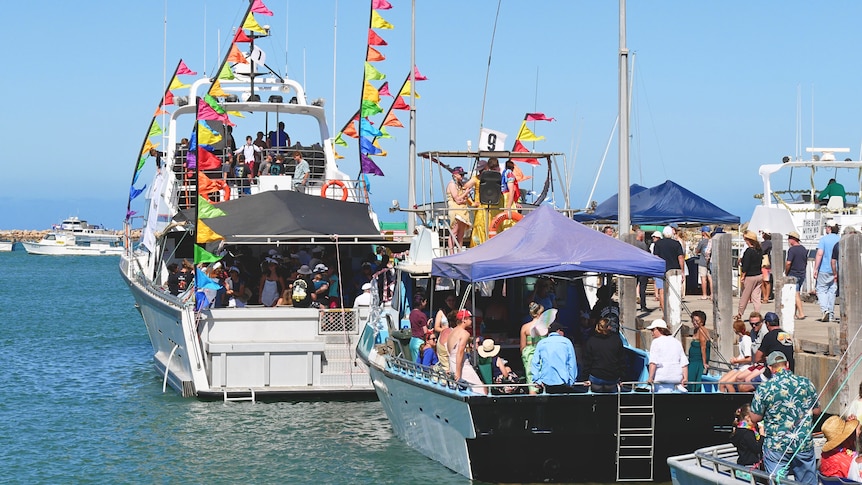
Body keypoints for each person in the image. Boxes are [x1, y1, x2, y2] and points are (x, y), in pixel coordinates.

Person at [749, 351, 820, 483]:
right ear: (787, 364)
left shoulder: (764, 388)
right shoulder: (806, 383)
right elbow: (817, 411)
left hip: (776, 446)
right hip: (802, 442)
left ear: (770, 368)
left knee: (778, 481)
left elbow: (754, 418)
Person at [530, 322, 578, 394]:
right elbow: (572, 363)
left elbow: (534, 363)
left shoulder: (541, 343)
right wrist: (571, 380)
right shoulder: (567, 342)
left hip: (545, 382)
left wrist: (537, 380)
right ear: (558, 331)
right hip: (563, 381)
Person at [447, 309, 486, 394]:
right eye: (469, 319)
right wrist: (458, 372)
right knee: (479, 388)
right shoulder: (465, 334)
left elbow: (451, 350)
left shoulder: (452, 331)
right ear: (464, 320)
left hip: (453, 361)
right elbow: (460, 352)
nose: (471, 321)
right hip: (461, 364)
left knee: (464, 389)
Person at [582, 318, 625, 393]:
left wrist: (585, 378)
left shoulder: (591, 341)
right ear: (609, 327)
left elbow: (587, 361)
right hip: (612, 376)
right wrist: (623, 378)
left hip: (596, 376)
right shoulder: (616, 340)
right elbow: (621, 360)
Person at [646, 319, 688, 393]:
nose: (651, 332)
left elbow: (653, 362)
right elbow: (683, 362)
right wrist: (685, 377)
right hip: (676, 380)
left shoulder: (656, 342)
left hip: (662, 380)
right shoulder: (676, 342)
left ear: (661, 330)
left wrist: (650, 378)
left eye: (653, 330)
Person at [652, 226, 684, 312]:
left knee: (662, 292)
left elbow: (656, 257)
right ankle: (674, 310)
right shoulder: (676, 243)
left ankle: (664, 311)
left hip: (661, 269)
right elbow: (680, 257)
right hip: (674, 270)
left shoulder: (658, 244)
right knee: (675, 291)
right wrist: (682, 271)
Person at [753, 312, 794, 378]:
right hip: (789, 371)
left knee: (745, 386)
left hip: (774, 372)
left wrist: (767, 359)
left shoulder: (769, 336)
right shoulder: (786, 335)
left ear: (767, 323)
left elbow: (757, 358)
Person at [520, 302, 548, 395]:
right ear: (540, 313)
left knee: (531, 377)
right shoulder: (546, 327)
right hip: (543, 353)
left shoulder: (525, 327)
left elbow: (522, 346)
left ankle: (533, 397)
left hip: (529, 354)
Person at [814, 223, 840, 322]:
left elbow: (820, 253)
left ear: (829, 228)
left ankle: (825, 310)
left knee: (821, 290)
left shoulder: (824, 239)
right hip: (836, 269)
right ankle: (831, 314)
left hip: (824, 268)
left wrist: (815, 269)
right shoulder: (840, 239)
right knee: (832, 291)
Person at [718, 319, 753, 392]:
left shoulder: (746, 339)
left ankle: (733, 401)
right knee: (721, 382)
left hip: (745, 367)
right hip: (739, 366)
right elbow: (742, 355)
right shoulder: (741, 339)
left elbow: (749, 358)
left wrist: (736, 360)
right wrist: (736, 359)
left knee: (728, 383)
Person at [736, 230, 763, 320]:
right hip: (759, 275)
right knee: (756, 297)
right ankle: (758, 315)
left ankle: (739, 314)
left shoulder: (748, 251)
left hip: (750, 276)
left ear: (748, 240)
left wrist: (743, 276)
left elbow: (746, 266)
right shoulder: (759, 250)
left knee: (745, 296)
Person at [730, 403, 764, 468]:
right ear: (748, 417)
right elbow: (757, 448)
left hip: (742, 464)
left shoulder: (739, 429)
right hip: (750, 466)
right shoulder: (747, 433)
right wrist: (762, 434)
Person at [446, 166, 471, 250]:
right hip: (456, 210)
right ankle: (451, 252)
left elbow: (461, 199)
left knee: (461, 233)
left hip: (462, 210)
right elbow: (457, 198)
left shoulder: (459, 184)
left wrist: (463, 198)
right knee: (454, 231)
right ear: (455, 175)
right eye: (461, 175)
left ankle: (459, 251)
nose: (462, 177)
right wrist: (466, 193)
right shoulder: (452, 184)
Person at [687, 310, 711, 392]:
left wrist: (704, 362)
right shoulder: (696, 330)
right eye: (693, 320)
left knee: (694, 381)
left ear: (702, 321)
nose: (694, 323)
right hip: (693, 360)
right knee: (690, 379)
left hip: (698, 361)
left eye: (697, 321)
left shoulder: (701, 330)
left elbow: (703, 346)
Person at [785, 231, 807, 320]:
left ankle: (801, 313)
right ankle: (793, 313)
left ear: (793, 239)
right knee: (796, 293)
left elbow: (788, 263)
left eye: (789, 238)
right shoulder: (803, 249)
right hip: (802, 273)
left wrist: (786, 272)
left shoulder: (792, 250)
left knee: (795, 294)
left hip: (794, 274)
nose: (788, 240)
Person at [694, 226, 713, 300]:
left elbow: (697, 251)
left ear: (703, 233)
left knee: (703, 279)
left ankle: (704, 295)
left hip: (702, 262)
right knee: (710, 279)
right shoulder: (712, 241)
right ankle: (712, 294)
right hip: (710, 262)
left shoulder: (702, 242)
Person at [409, 295, 429, 361]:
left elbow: (417, 326)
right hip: (419, 343)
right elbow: (425, 331)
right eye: (425, 301)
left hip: (412, 341)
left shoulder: (411, 313)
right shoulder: (422, 315)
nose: (426, 303)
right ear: (421, 302)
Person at [760, 232, 773, 303]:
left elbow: (762, 250)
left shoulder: (768, 243)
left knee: (766, 281)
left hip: (765, 263)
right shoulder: (765, 243)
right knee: (762, 281)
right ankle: (764, 296)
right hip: (763, 263)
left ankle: (766, 297)